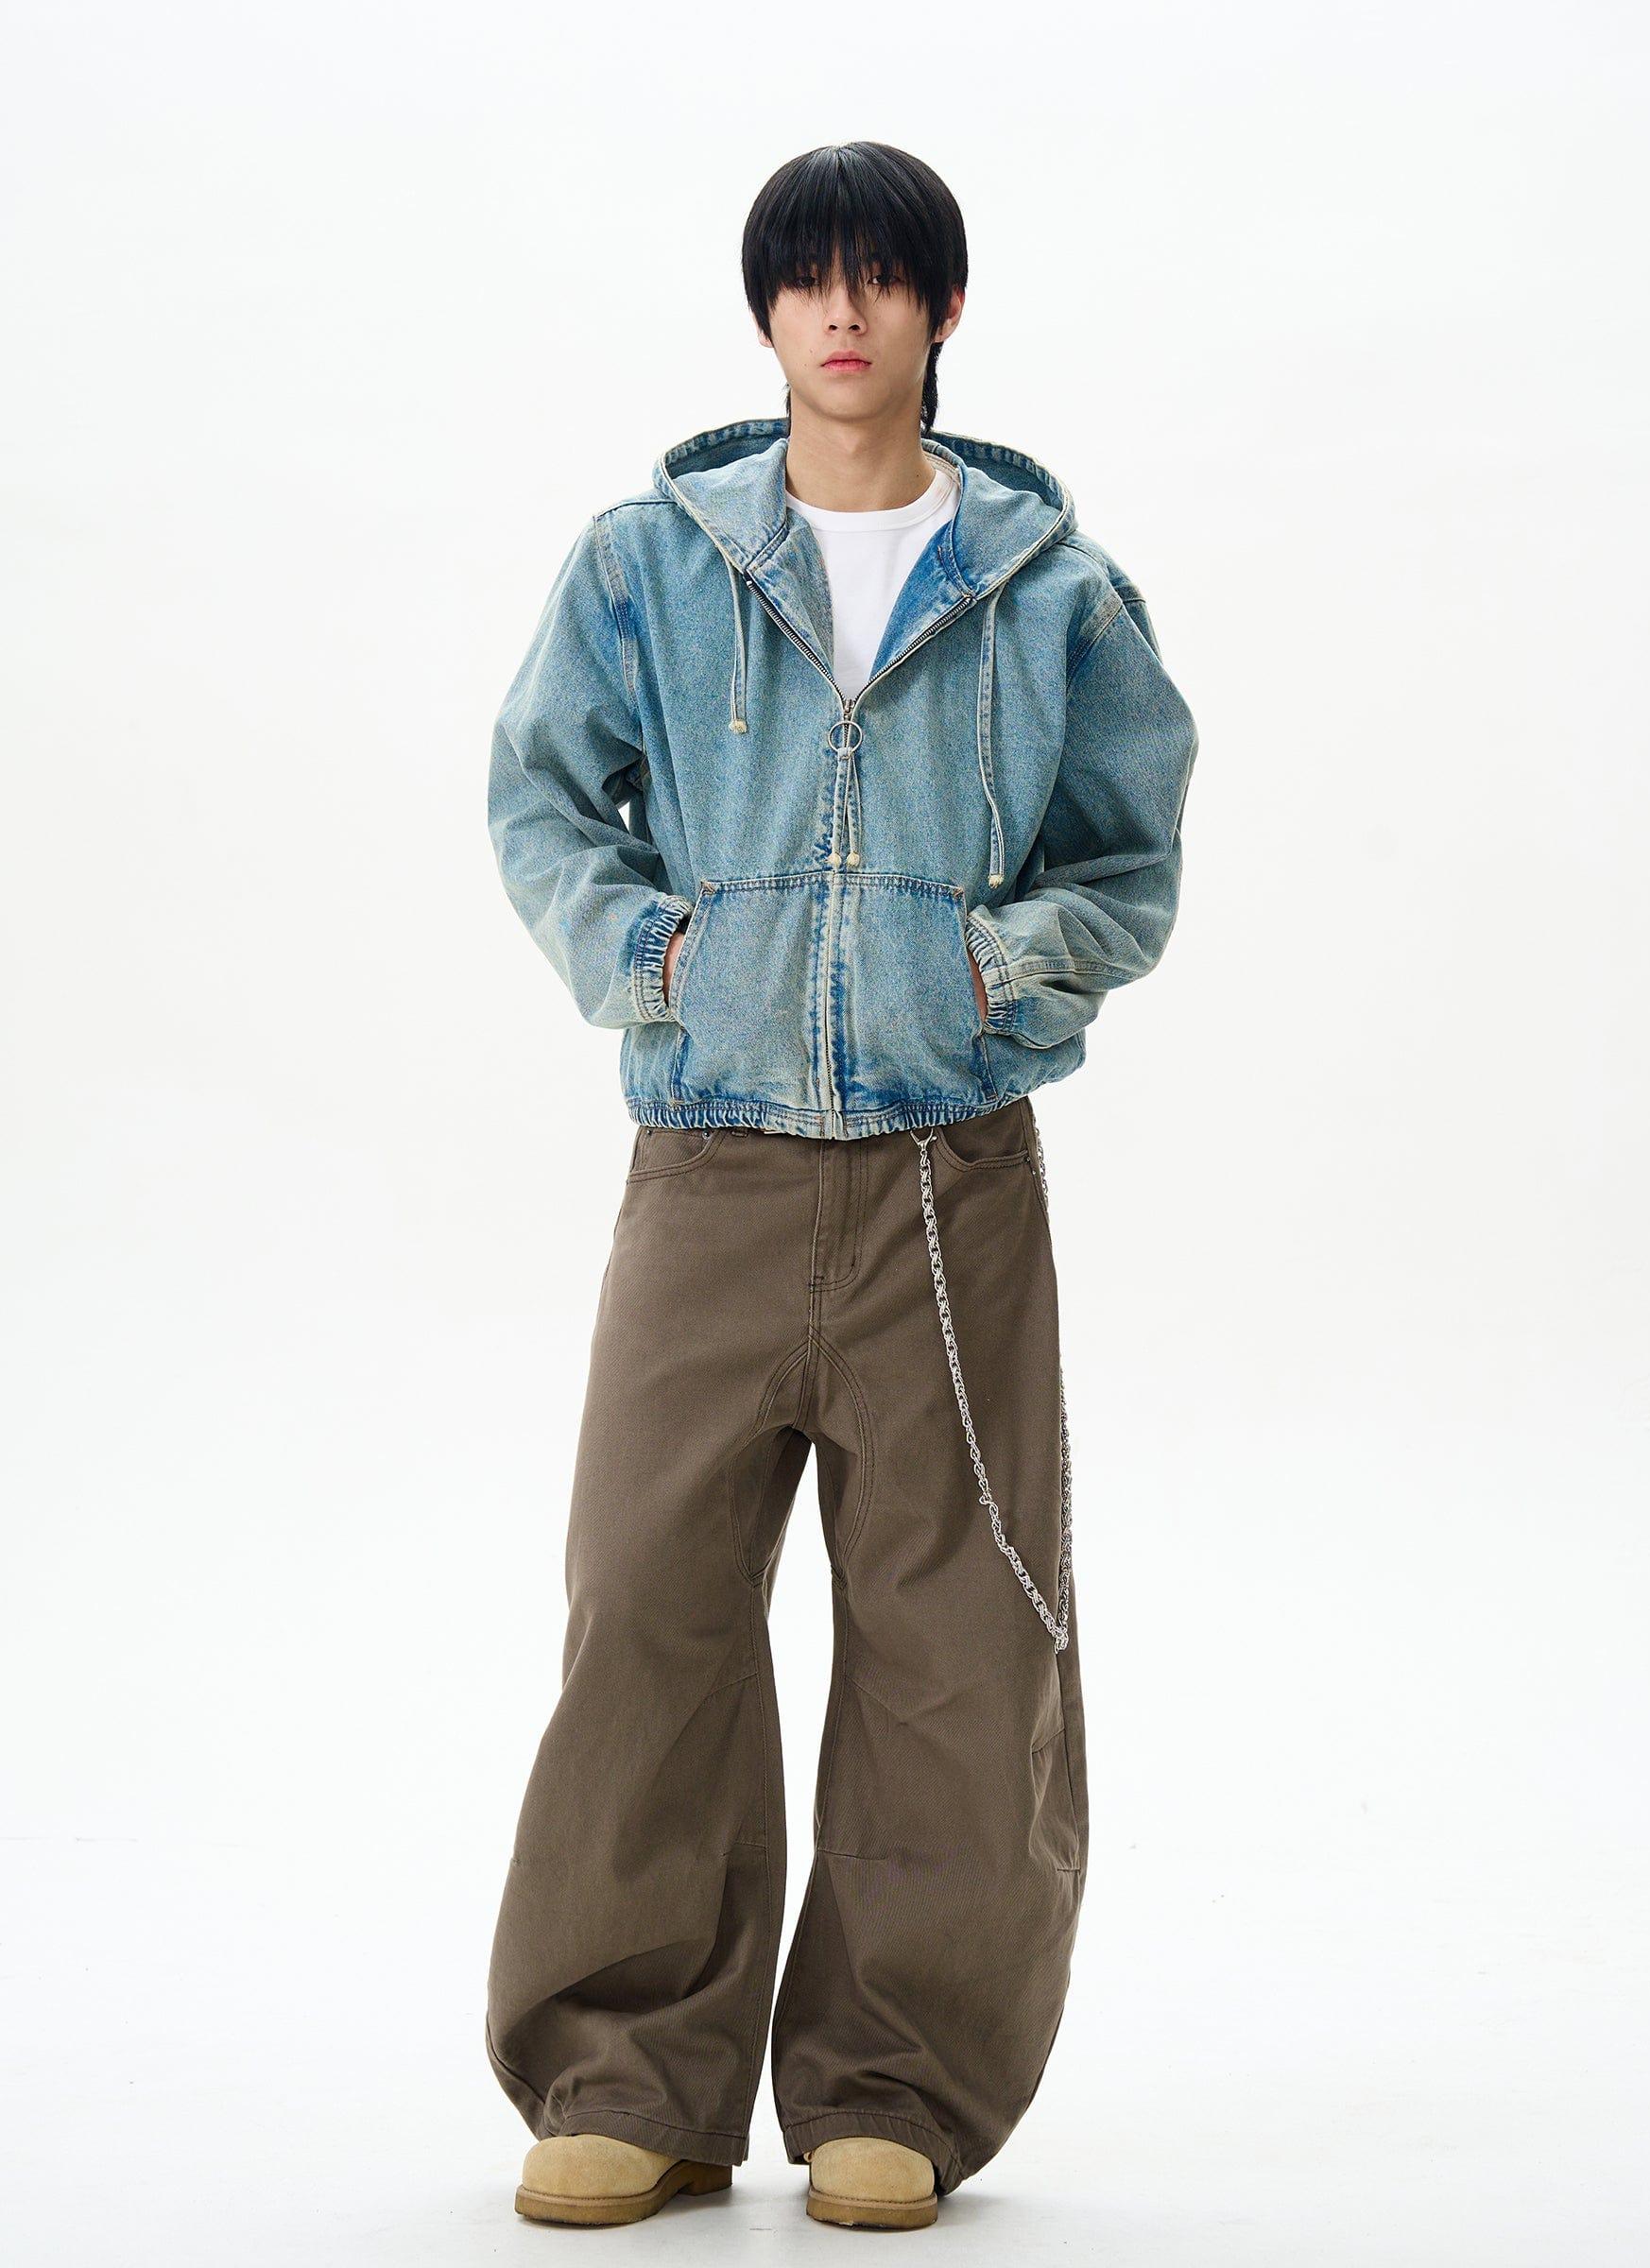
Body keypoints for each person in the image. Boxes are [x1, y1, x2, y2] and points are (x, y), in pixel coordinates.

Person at [482, 140, 1199, 2231]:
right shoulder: (650, 562)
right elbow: (542, 798)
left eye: (884, 279)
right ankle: (630, 2070)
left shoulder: (1049, 588)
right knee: (648, 1606)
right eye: (810, 279)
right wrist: (657, 961)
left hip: (947, 1185)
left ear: (943, 312)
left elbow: (1129, 857)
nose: (845, 312)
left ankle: (897, 2077)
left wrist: (990, 973)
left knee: (959, 1637)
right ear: (768, 314)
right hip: (707, 1166)